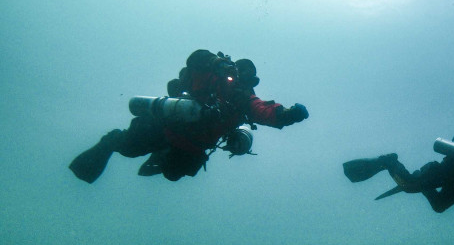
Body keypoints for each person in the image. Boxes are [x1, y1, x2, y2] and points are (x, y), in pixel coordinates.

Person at [69, 49, 309, 183]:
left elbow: (266, 112)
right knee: (128, 148)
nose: (240, 81)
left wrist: (288, 114)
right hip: (167, 127)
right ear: (232, 71)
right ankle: (110, 141)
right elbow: (194, 60)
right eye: (239, 73)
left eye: (248, 78)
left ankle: (161, 156)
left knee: (173, 174)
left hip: (192, 146)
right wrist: (215, 62)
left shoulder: (246, 101)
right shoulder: (210, 78)